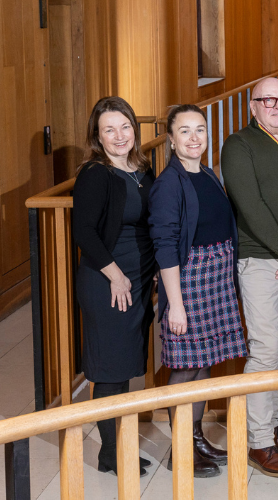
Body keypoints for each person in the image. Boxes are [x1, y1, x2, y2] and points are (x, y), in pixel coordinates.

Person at [149, 104, 249, 478]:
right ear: (171, 139)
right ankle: (181, 451)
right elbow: (164, 245)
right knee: (184, 367)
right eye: (185, 131)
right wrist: (175, 305)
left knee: (203, 364)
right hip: (188, 283)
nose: (194, 138)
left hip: (217, 278)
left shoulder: (207, 173)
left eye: (200, 130)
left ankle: (196, 438)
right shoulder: (168, 184)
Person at [222, 77, 278, 477]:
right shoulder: (238, 145)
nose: (277, 105)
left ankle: (270, 429)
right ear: (253, 106)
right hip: (261, 262)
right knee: (264, 351)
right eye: (267, 100)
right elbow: (251, 205)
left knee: (277, 350)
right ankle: (257, 441)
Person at [72, 96, 156, 477]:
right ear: (98, 136)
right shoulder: (95, 174)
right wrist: (116, 274)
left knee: (125, 366)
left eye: (124, 126)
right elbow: (84, 232)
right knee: (110, 370)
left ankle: (115, 448)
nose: (119, 135)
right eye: (109, 129)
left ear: (134, 129)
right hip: (107, 279)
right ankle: (112, 452)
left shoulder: (143, 169)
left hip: (136, 279)